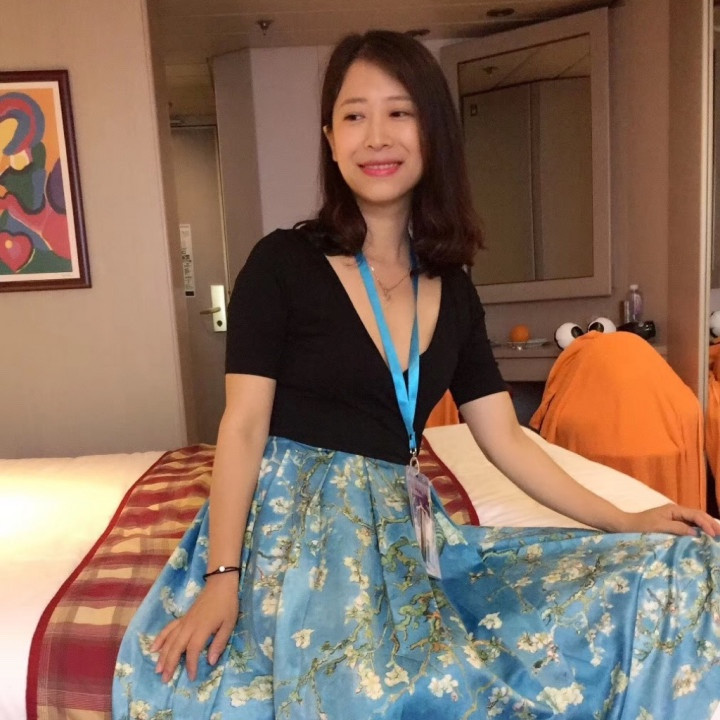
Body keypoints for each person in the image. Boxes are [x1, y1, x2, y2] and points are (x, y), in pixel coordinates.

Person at [113, 30, 720, 720]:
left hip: (402, 530)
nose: (377, 136)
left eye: (399, 112)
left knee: (677, 572)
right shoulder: (281, 264)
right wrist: (222, 577)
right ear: (330, 139)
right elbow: (244, 424)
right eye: (354, 115)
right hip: (296, 531)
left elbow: (506, 438)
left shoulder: (452, 286)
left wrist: (625, 519)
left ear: (432, 132)